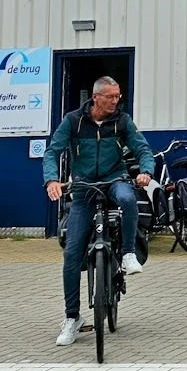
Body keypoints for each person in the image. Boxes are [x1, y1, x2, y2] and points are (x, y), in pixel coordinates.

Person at [44, 76, 154, 346]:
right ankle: (72, 318)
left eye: (118, 96)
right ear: (96, 97)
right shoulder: (73, 121)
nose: (116, 101)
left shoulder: (123, 121)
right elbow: (52, 152)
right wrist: (52, 179)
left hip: (114, 180)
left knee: (128, 199)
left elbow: (142, 148)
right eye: (111, 97)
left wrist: (146, 171)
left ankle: (128, 253)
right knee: (71, 254)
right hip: (83, 188)